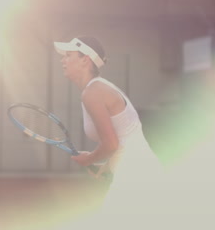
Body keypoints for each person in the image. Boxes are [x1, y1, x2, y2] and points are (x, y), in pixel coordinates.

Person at [53, 36, 166, 227]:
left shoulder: (93, 92)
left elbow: (111, 144)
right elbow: (124, 140)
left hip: (136, 179)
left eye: (68, 55)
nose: (62, 60)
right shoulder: (98, 88)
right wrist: (106, 166)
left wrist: (88, 159)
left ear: (85, 60)